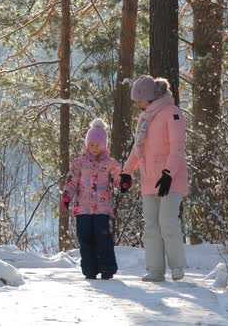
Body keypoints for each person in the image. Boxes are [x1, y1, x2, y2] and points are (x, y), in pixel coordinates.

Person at [121, 75, 188, 282]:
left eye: (139, 100)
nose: (137, 104)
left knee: (167, 223)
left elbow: (177, 148)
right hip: (149, 180)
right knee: (151, 226)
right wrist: (126, 172)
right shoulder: (145, 117)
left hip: (171, 179)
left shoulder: (172, 114)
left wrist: (168, 173)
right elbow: (138, 148)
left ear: (150, 97)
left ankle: (177, 267)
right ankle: (155, 270)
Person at [60, 118, 128, 280]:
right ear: (87, 145)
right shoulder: (79, 163)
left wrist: (123, 182)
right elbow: (71, 181)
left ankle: (107, 268)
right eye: (91, 145)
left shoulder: (110, 163)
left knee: (103, 237)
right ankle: (89, 269)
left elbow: (118, 176)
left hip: (102, 209)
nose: (94, 148)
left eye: (97, 145)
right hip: (82, 208)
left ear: (104, 145)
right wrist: (66, 197)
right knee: (85, 238)